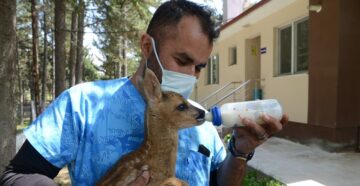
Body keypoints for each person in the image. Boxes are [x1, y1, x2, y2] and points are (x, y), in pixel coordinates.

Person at [0, 0, 288, 185]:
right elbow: (16, 175)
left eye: (199, 67)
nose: (190, 75)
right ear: (147, 46)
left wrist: (240, 152)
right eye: (182, 61)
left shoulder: (196, 119)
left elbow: (219, 182)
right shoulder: (82, 104)